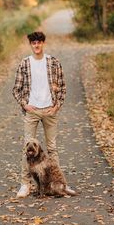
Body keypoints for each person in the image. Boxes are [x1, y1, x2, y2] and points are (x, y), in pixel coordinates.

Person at [13, 31, 72, 198]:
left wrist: (56, 106)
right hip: (32, 111)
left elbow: (62, 87)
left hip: (49, 110)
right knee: (27, 148)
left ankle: (59, 184)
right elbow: (16, 89)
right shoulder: (25, 63)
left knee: (52, 148)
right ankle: (25, 184)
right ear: (30, 45)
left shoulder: (53, 62)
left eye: (39, 42)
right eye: (33, 43)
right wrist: (25, 104)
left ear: (43, 43)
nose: (36, 45)